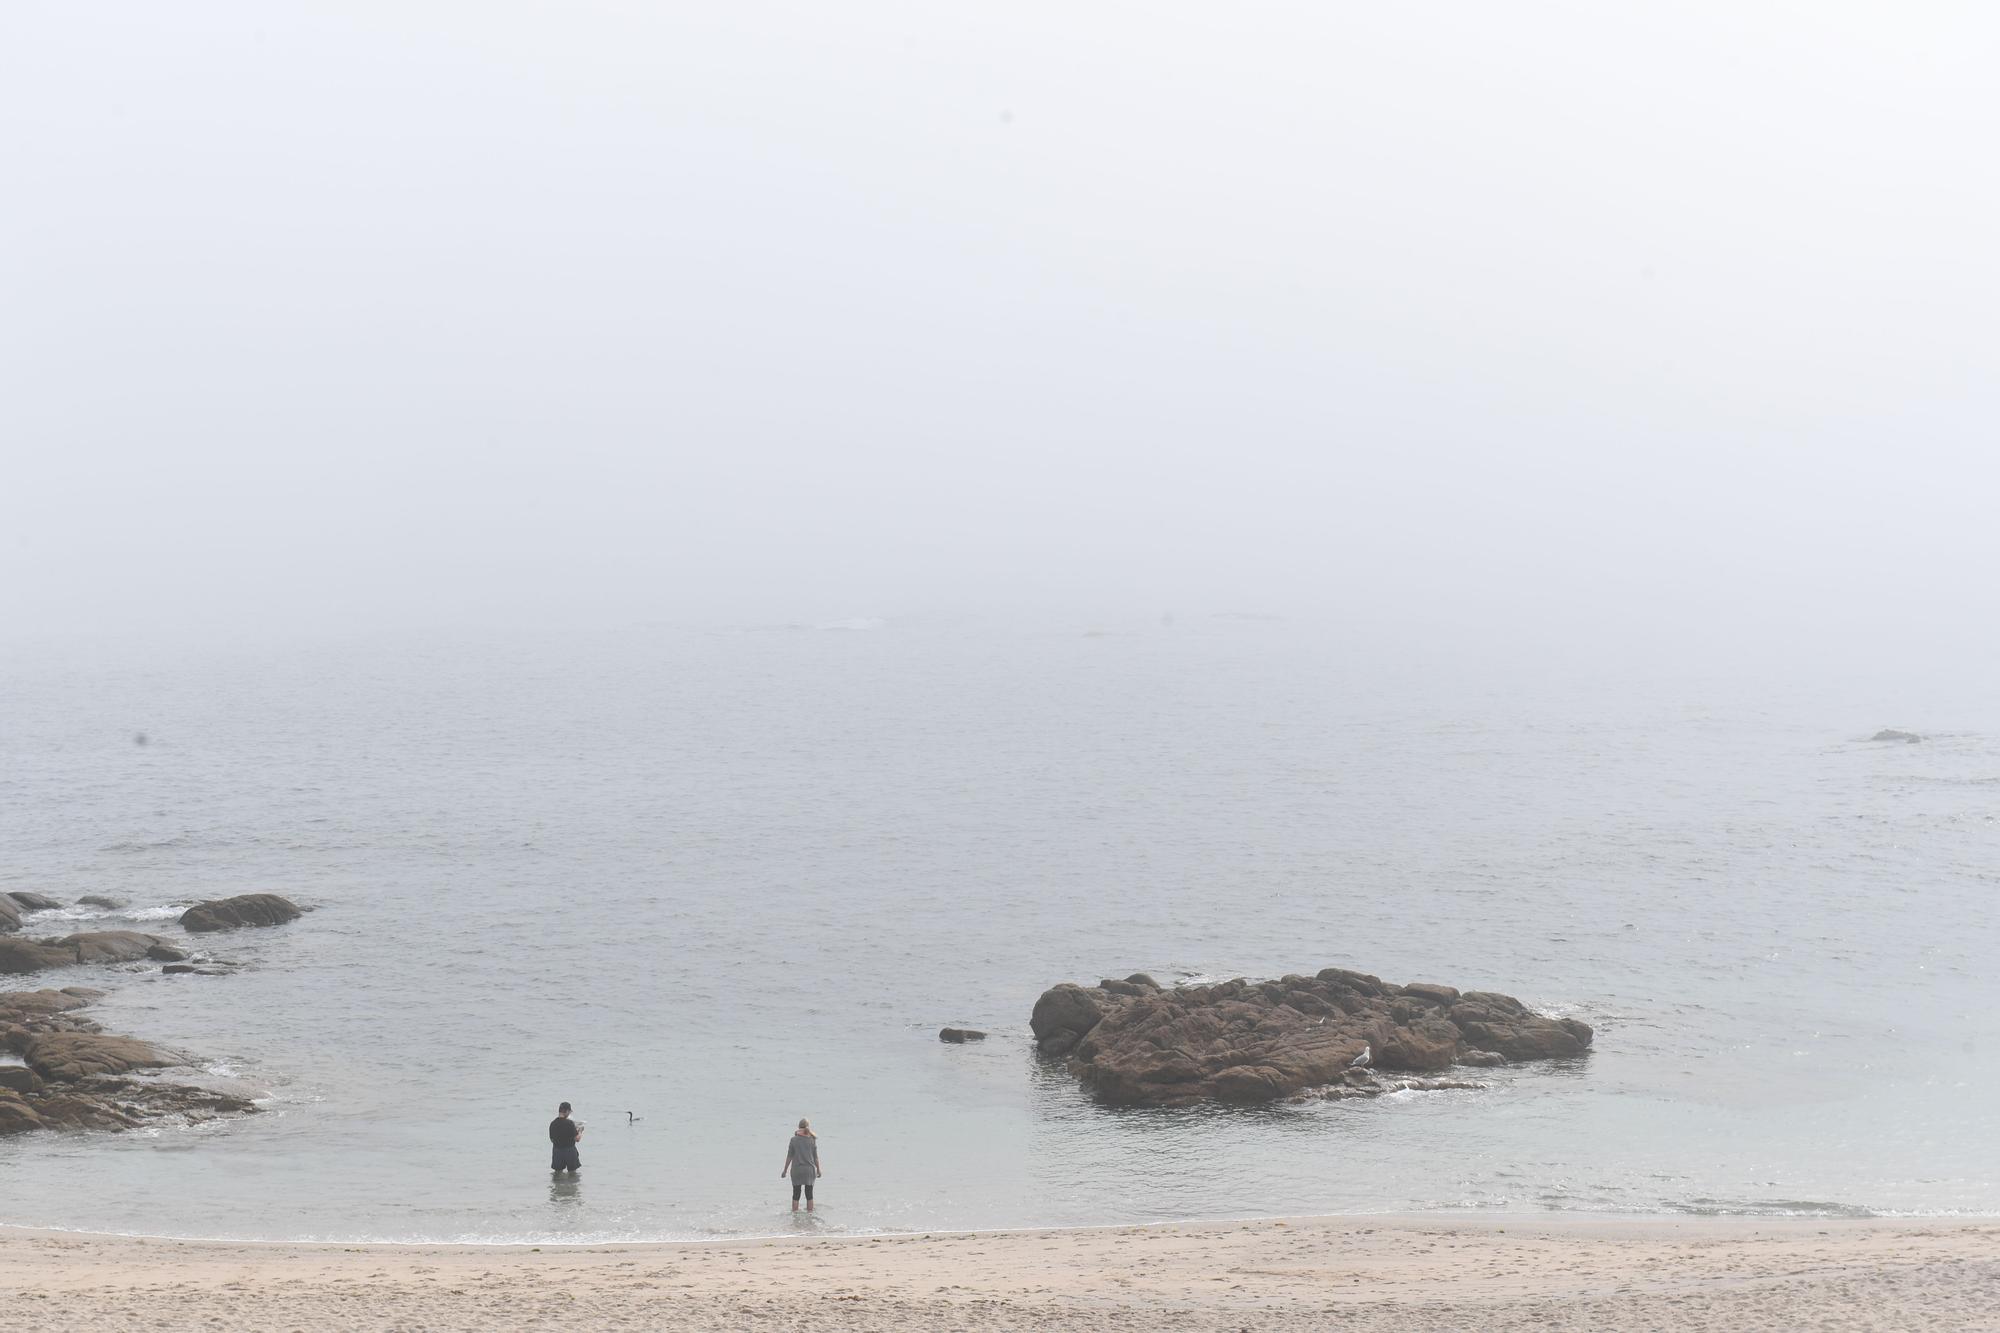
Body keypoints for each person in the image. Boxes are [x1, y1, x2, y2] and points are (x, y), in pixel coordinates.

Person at [780, 1117, 822, 1211]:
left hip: (797, 1170)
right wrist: (818, 1170)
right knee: (809, 1194)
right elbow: (815, 1157)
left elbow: (789, 1156)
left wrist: (785, 1171)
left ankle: (794, 1216)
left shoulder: (793, 1140)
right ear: (808, 1127)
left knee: (796, 1193)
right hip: (809, 1170)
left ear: (799, 1127)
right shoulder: (812, 1140)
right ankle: (810, 1217)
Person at [549, 1101, 583, 1174]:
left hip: (557, 1151)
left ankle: (558, 1185)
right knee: (572, 1174)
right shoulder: (569, 1123)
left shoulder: (553, 1124)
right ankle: (570, 1185)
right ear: (567, 1111)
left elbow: (552, 1140)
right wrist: (580, 1131)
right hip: (569, 1151)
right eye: (569, 1112)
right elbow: (577, 1139)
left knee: (557, 1174)